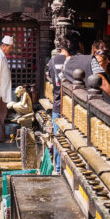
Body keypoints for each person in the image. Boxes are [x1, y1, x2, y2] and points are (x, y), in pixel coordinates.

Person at [62, 31, 110, 99]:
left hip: (79, 103)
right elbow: (102, 82)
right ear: (80, 45)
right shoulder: (90, 59)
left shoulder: (66, 64)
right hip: (98, 103)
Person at [48, 41, 67, 174]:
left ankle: (58, 168)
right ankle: (63, 169)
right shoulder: (72, 61)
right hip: (70, 107)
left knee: (57, 137)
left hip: (57, 104)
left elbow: (49, 76)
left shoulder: (52, 62)